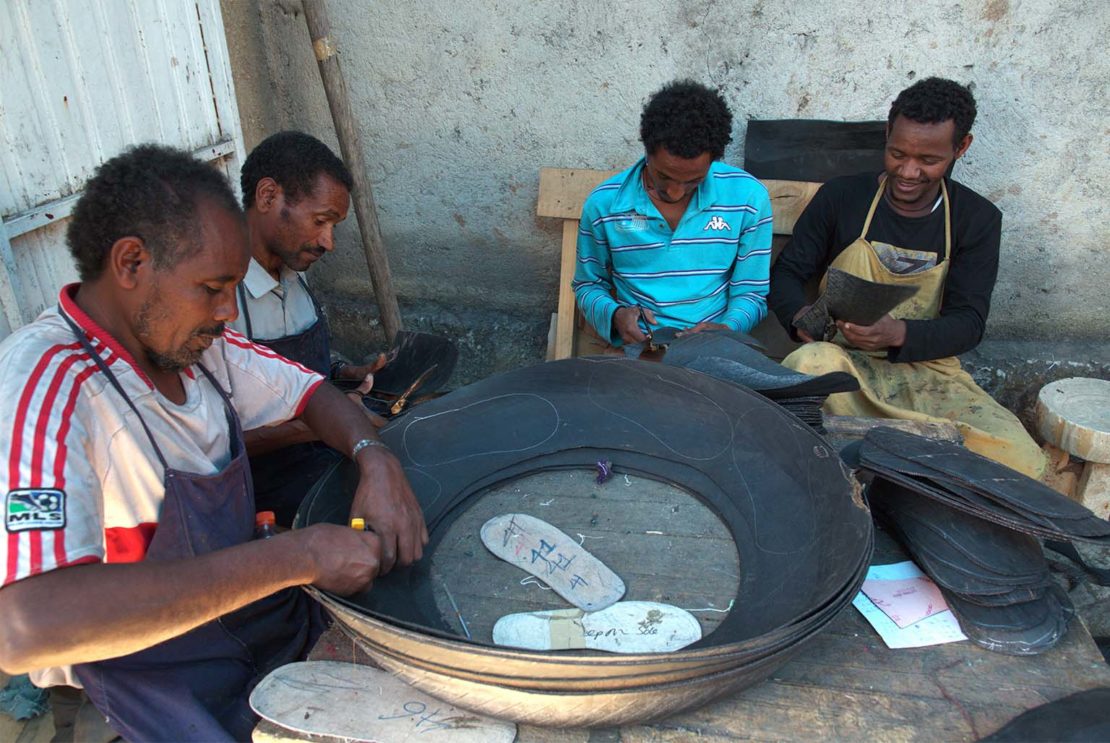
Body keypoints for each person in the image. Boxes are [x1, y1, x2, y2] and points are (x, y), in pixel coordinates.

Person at [0, 145, 427, 741]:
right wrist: (298, 556)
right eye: (211, 288)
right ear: (130, 264)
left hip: (251, 626)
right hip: (150, 678)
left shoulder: (200, 349)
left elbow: (312, 393)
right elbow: (29, 625)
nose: (229, 311)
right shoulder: (45, 380)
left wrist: (374, 460)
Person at [768, 77, 1045, 479]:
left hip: (927, 375)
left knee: (1024, 460)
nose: (908, 171)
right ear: (886, 134)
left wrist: (898, 334)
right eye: (897, 153)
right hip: (847, 365)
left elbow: (969, 323)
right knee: (811, 363)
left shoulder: (977, 219)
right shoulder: (842, 198)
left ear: (960, 148)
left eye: (928, 160)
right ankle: (913, 466)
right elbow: (788, 273)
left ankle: (891, 463)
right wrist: (799, 318)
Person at [231, 131, 385, 526]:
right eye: (321, 221)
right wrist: (318, 423)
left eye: (333, 226)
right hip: (264, 497)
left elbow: (296, 364)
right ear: (268, 196)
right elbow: (211, 444)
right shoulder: (219, 298)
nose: (328, 242)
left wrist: (343, 372)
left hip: (322, 459)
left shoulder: (294, 271)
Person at [572, 80, 773, 353]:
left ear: (714, 161)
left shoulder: (747, 198)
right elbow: (588, 284)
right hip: (639, 349)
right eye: (664, 176)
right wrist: (616, 315)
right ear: (647, 150)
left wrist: (728, 330)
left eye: (694, 180)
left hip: (714, 350)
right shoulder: (605, 205)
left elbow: (751, 293)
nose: (676, 192)